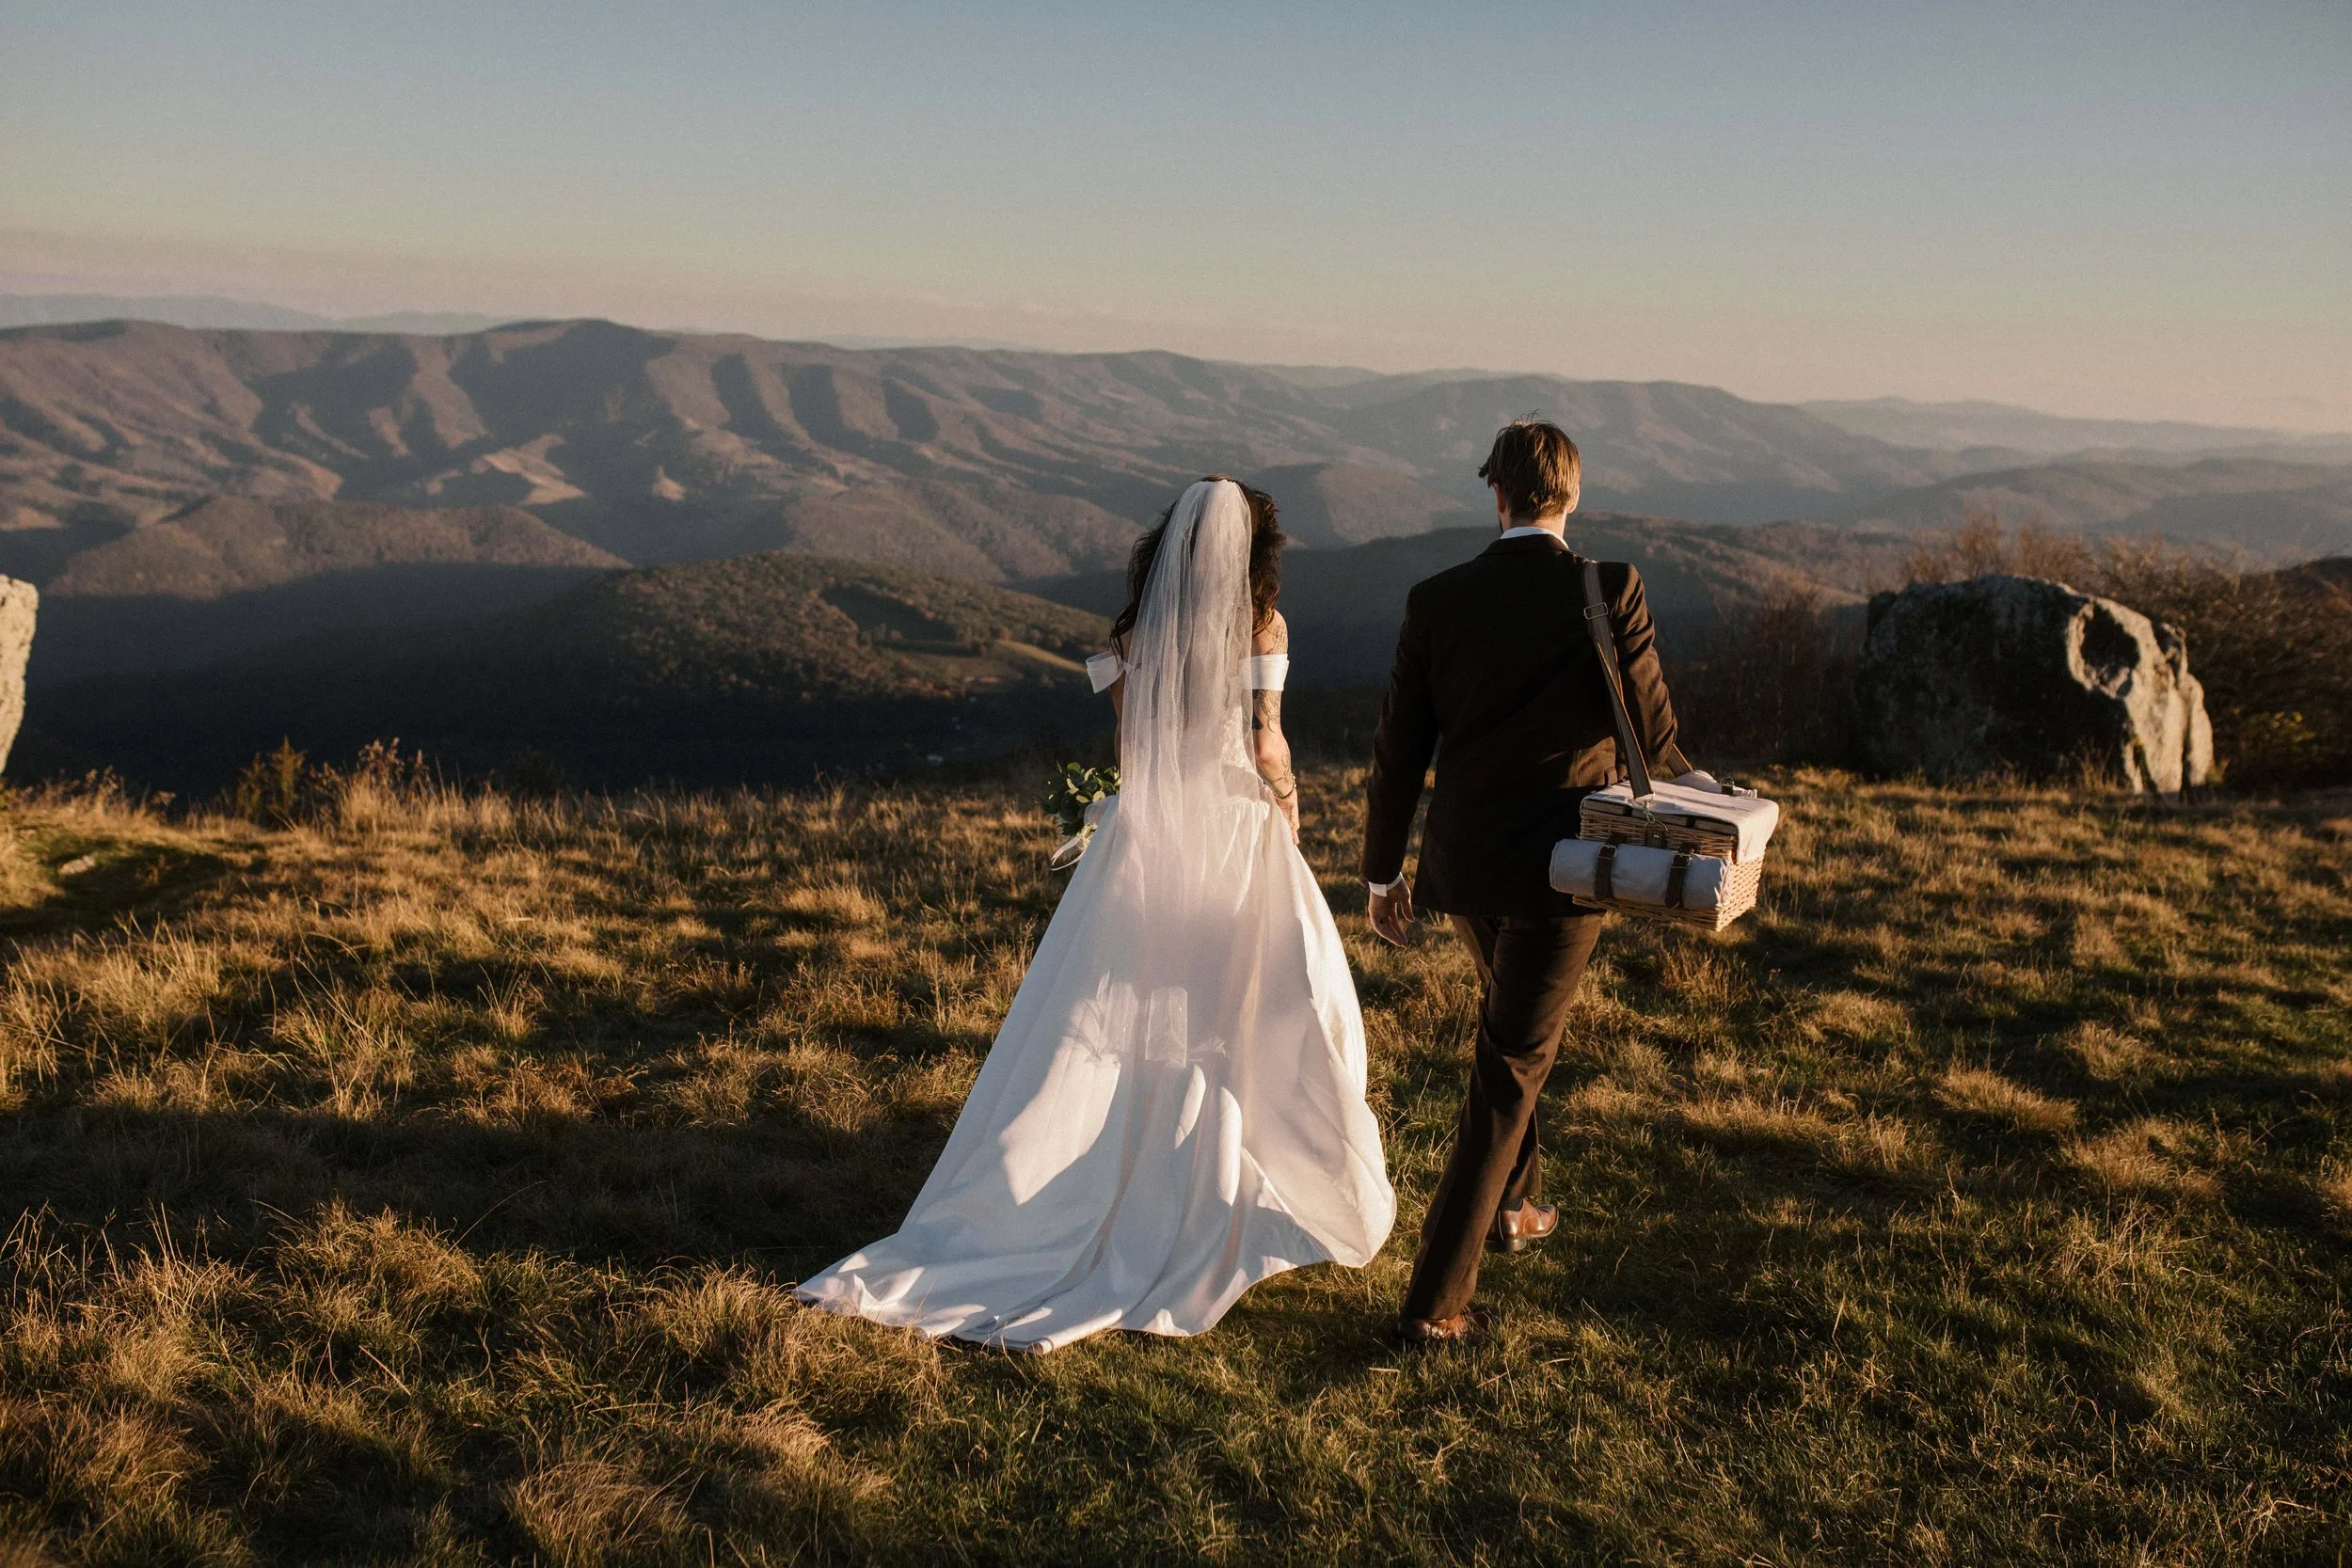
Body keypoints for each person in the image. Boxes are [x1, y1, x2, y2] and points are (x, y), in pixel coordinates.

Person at [797, 477, 1394, 1352]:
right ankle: (1215, 1164)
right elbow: (1266, 738)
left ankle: (1096, 1175)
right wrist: (1291, 799)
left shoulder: (1134, 634)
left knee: (1113, 1006)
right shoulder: (1264, 628)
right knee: (1246, 1001)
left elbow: (1132, 747)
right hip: (1233, 831)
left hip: (1148, 832)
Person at [1361, 418, 1724, 1347]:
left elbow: (1399, 750)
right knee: (1509, 1065)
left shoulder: (1435, 596)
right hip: (1565, 868)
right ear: (1570, 493)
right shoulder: (1605, 589)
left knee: (1506, 1031)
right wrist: (1714, 798)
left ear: (1497, 493)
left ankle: (1518, 1207)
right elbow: (1649, 728)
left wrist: (1379, 874)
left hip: (1462, 864)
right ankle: (1435, 1304)